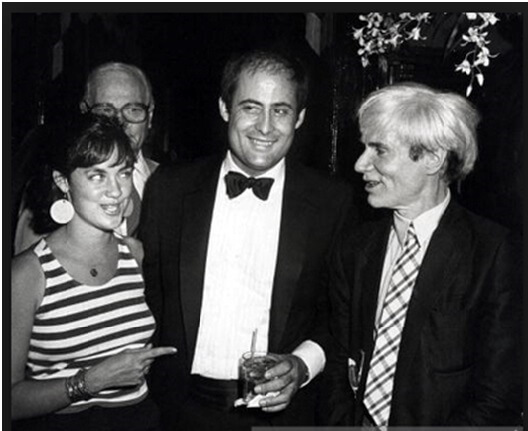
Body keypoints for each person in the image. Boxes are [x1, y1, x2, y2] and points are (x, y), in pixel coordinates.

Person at [139, 48, 354, 430]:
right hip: (178, 412)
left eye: (281, 110)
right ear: (225, 108)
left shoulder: (331, 202)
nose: (265, 127)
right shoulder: (169, 190)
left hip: (282, 418)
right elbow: (146, 298)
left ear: (300, 117)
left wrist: (303, 364)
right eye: (251, 108)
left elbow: (341, 314)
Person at [325, 82, 522, 426]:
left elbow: (497, 398)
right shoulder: (355, 247)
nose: (359, 164)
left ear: (433, 158)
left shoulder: (493, 253)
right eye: (364, 148)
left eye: (379, 150)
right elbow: (338, 364)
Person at [11, 114, 176, 431]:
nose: (117, 191)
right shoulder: (27, 274)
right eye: (97, 175)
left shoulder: (136, 255)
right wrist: (91, 381)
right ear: (63, 182)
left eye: (123, 173)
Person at [14, 62, 157, 255]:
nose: (120, 123)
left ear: (150, 115)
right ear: (84, 113)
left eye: (133, 110)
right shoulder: (50, 187)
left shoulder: (171, 182)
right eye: (105, 110)